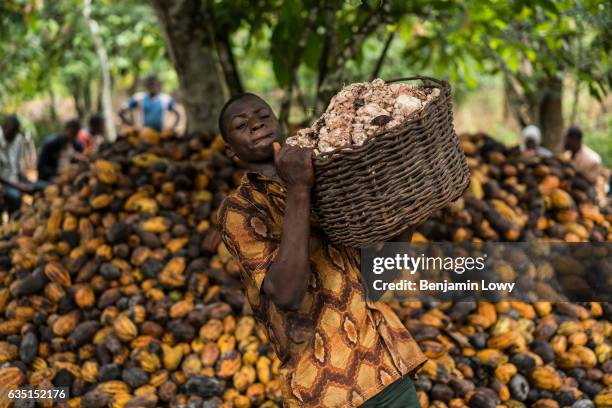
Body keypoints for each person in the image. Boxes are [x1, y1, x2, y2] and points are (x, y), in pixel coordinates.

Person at [217, 93, 426, 407]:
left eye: (262, 115)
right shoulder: (240, 209)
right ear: (229, 148)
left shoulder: (331, 178)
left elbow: (373, 285)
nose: (255, 123)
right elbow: (287, 294)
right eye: (241, 124)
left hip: (389, 370)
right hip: (326, 391)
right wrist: (299, 188)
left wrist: (409, 217)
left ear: (278, 123)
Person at [0, 115, 33, 214]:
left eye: (15, 132)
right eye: (11, 131)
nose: (13, 135)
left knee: (40, 187)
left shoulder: (17, 139)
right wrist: (19, 186)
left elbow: (17, 166)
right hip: (4, 184)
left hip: (15, 180)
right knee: (15, 197)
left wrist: (25, 180)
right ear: (4, 127)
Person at [37, 118, 84, 183]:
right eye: (72, 133)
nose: (73, 136)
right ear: (66, 130)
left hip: (69, 180)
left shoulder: (77, 146)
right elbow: (41, 168)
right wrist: (58, 171)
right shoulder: (50, 144)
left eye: (75, 134)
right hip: (50, 179)